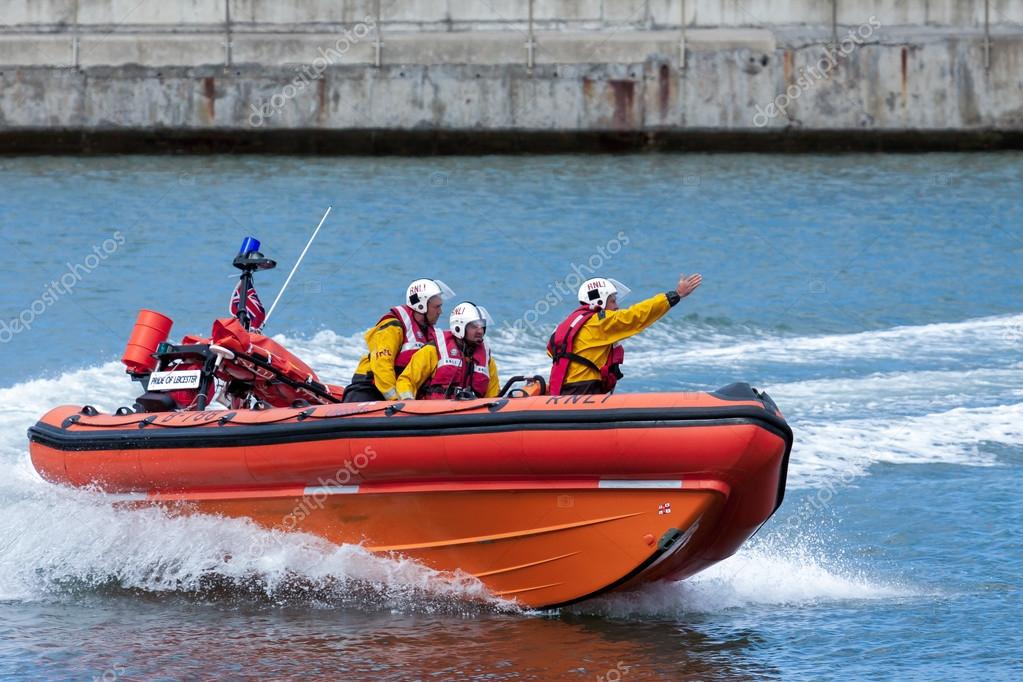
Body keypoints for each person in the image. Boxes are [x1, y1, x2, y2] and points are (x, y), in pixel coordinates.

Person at [547, 273, 702, 395]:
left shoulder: (570, 323)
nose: (617, 306)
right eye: (613, 301)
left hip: (564, 391)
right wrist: (675, 295)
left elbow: (551, 351)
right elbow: (637, 315)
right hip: (584, 390)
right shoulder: (601, 322)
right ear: (600, 302)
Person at [343, 278, 454, 402]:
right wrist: (396, 401)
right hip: (370, 388)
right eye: (437, 307)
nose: (440, 312)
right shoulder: (393, 326)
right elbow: (382, 365)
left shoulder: (430, 334)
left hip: (403, 393)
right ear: (421, 305)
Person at [396, 302, 500, 400]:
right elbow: (406, 381)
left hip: (471, 414)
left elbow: (493, 396)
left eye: (482, 326)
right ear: (458, 327)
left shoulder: (487, 360)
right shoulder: (434, 350)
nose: (480, 331)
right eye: (474, 326)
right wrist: (407, 401)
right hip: (433, 413)